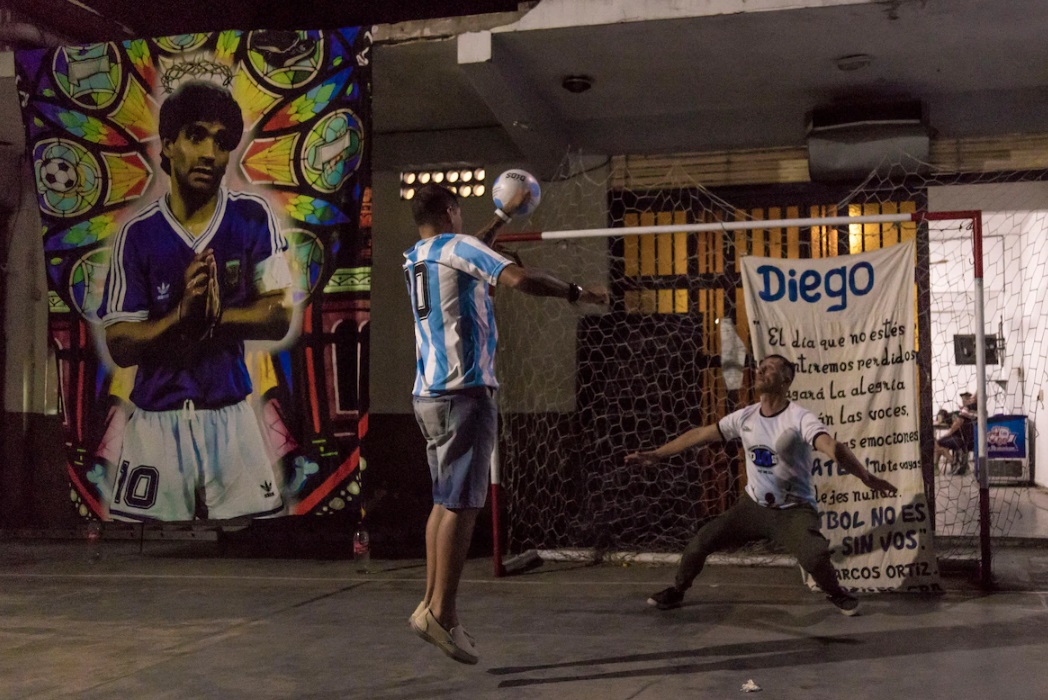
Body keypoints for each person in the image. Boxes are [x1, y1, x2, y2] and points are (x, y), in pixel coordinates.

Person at [404, 182, 605, 664]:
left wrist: (500, 217)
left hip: (426, 395)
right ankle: (443, 614)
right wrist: (575, 292)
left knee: (442, 503)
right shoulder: (460, 246)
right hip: (464, 391)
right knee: (461, 505)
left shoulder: (418, 252)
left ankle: (428, 604)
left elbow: (470, 247)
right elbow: (518, 278)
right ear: (452, 211)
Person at [100, 80, 293, 521]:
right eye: (195, 136)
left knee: (252, 549)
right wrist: (181, 318)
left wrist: (216, 315)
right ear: (167, 146)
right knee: (145, 560)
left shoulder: (253, 217)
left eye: (222, 142)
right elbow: (120, 345)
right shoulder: (138, 234)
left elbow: (279, 315)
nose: (210, 153)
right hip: (155, 420)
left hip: (231, 416)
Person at [625, 354, 898, 616]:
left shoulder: (800, 418)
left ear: (786, 379)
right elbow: (700, 434)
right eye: (760, 366)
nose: (760, 371)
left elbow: (831, 446)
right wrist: (658, 454)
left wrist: (865, 476)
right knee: (700, 542)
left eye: (769, 368)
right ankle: (677, 591)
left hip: (793, 510)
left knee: (815, 556)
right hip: (752, 506)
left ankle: (837, 593)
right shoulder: (745, 417)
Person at [934, 391, 977, 475]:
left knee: (937, 442)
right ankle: (946, 464)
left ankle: (952, 462)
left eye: (967, 399)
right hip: (972, 440)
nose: (965, 400)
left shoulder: (966, 410)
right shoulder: (977, 410)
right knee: (943, 446)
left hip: (963, 440)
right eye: (964, 399)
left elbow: (957, 423)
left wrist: (947, 434)